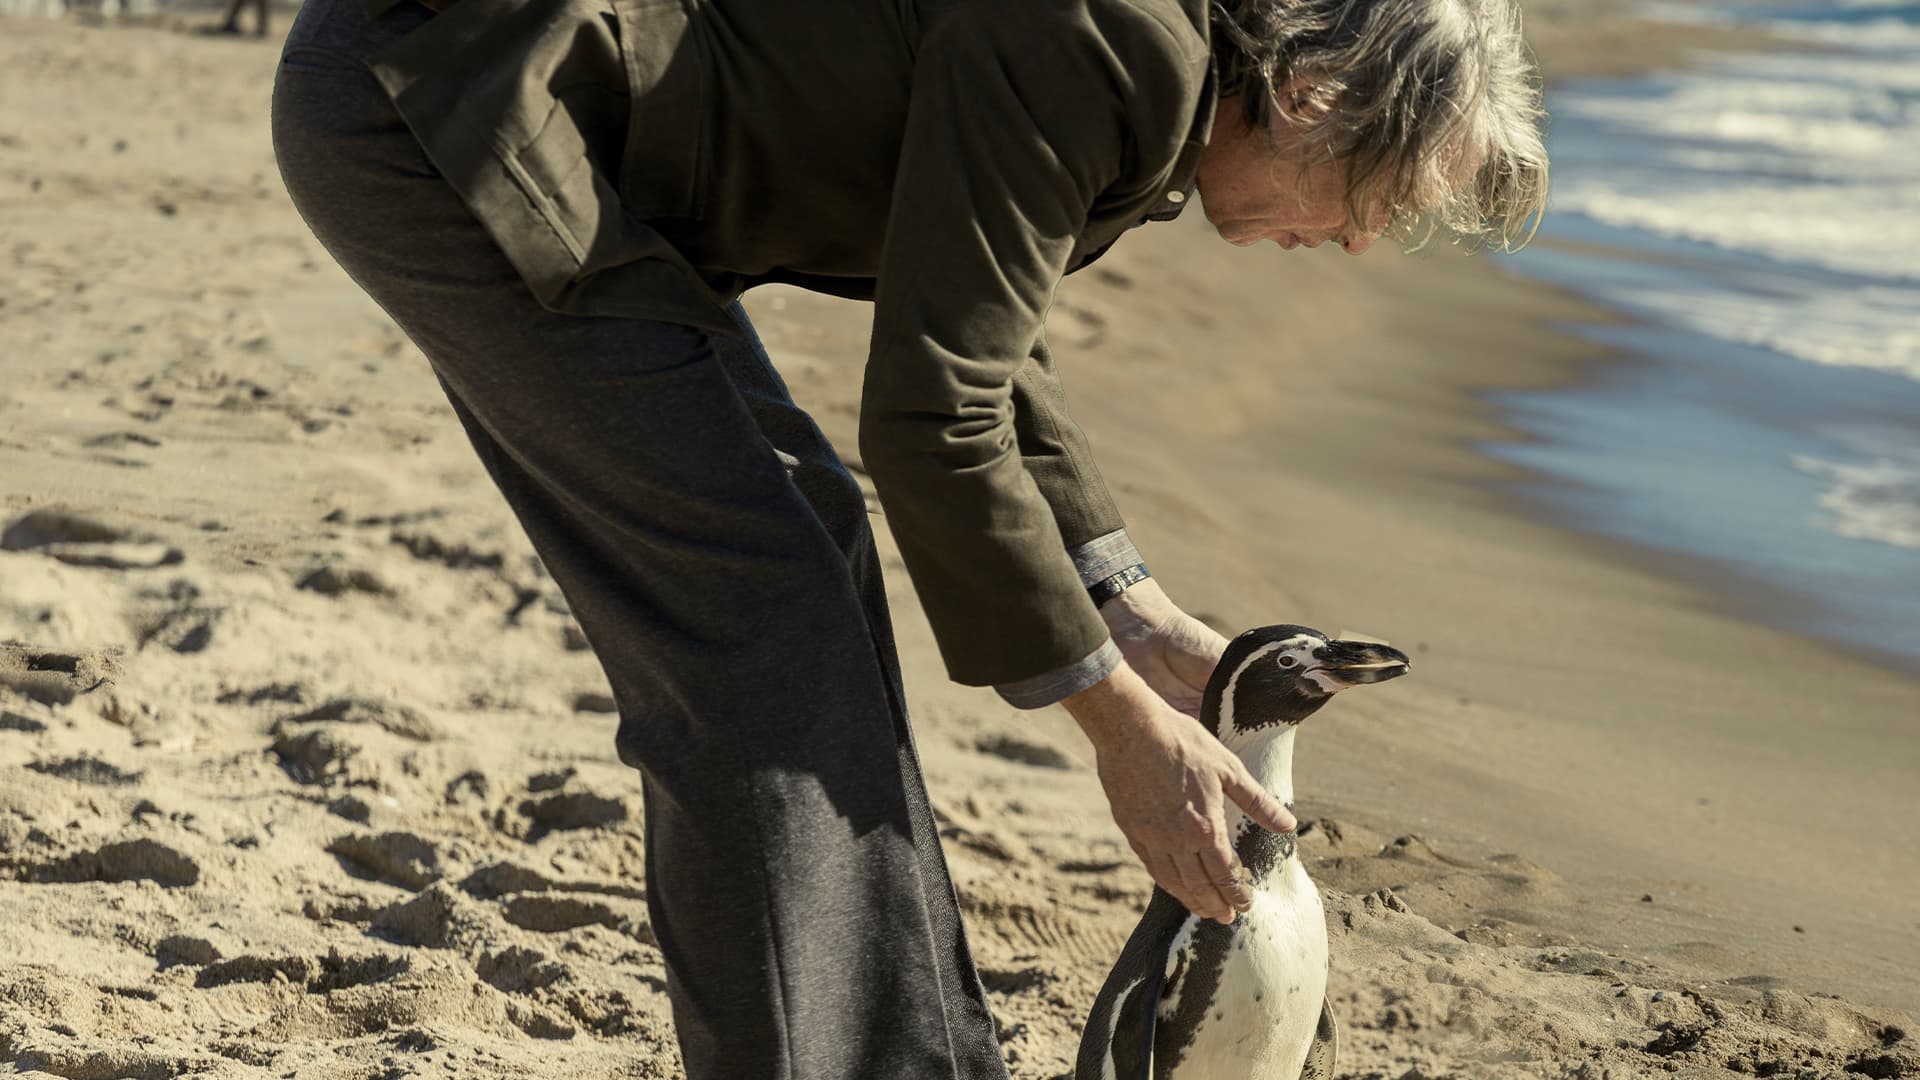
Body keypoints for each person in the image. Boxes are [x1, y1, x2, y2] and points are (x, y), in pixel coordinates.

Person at [270, 0, 1547, 1074]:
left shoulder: (1156, 62)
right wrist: (1118, 730)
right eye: (1377, 195)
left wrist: (1128, 600)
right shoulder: (1116, 40)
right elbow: (933, 416)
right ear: (1315, 93)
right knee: (757, 616)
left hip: (541, 129)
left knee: (804, 550)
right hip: (447, 104)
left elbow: (975, 320)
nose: (1364, 238)